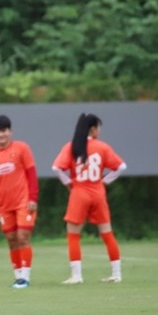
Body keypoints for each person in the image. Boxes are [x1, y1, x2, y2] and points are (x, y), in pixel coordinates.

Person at [52, 113, 126, 284]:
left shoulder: (72, 146)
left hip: (79, 193)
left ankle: (77, 276)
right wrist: (105, 181)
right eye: (98, 128)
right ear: (93, 129)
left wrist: (69, 183)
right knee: (107, 234)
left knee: (73, 236)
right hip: (98, 192)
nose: (99, 131)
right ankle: (117, 273)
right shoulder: (102, 147)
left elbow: (56, 167)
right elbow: (121, 166)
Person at [0, 115, 39, 289]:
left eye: (4, 131)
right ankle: (18, 275)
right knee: (11, 239)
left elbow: (31, 174)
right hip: (4, 206)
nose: (1, 135)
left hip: (23, 202)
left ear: (10, 131)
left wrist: (33, 198)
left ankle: (25, 277)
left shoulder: (22, 148)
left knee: (23, 237)